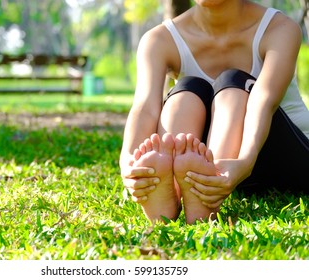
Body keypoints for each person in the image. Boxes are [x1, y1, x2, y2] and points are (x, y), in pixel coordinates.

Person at [120, 0, 309, 224]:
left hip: (283, 159)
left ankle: (207, 190)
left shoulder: (280, 29)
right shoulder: (159, 39)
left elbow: (263, 101)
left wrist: (245, 161)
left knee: (233, 82)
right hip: (222, 162)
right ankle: (171, 193)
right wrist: (129, 166)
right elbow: (145, 107)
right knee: (186, 90)